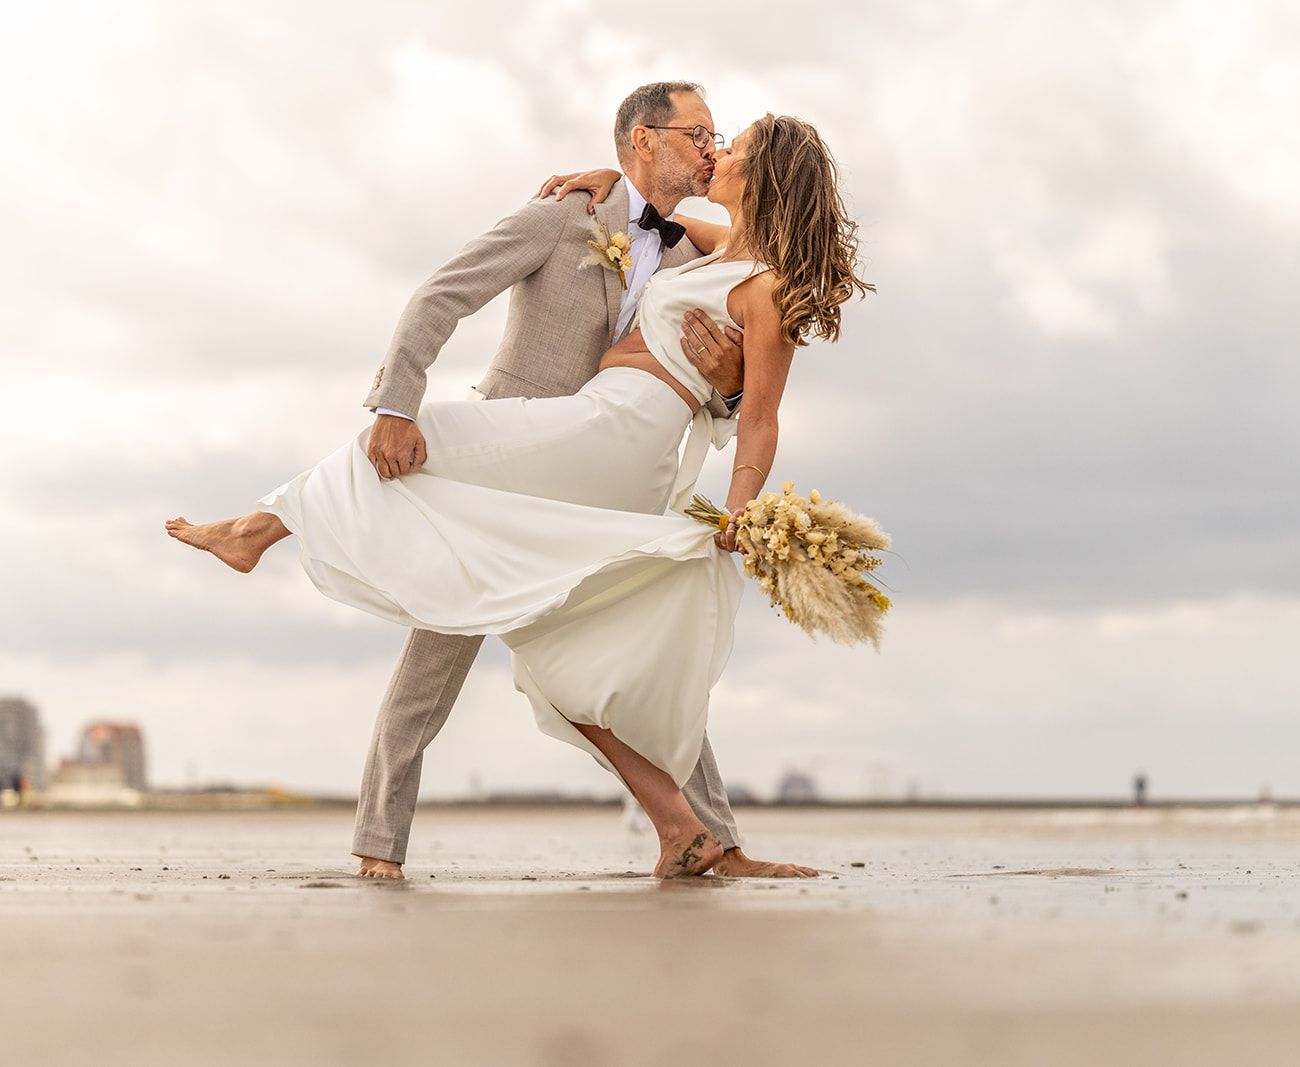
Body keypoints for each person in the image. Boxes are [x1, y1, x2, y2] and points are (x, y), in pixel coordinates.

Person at [167, 100, 870, 878]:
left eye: (724, 142)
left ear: (762, 176)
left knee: (432, 443)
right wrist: (605, 180)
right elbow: (455, 290)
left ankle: (261, 527)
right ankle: (692, 834)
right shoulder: (626, 229)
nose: (714, 149)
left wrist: (733, 439)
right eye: (701, 135)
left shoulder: (737, 275)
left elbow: (756, 406)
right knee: (581, 654)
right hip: (563, 438)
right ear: (644, 140)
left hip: (600, 441)